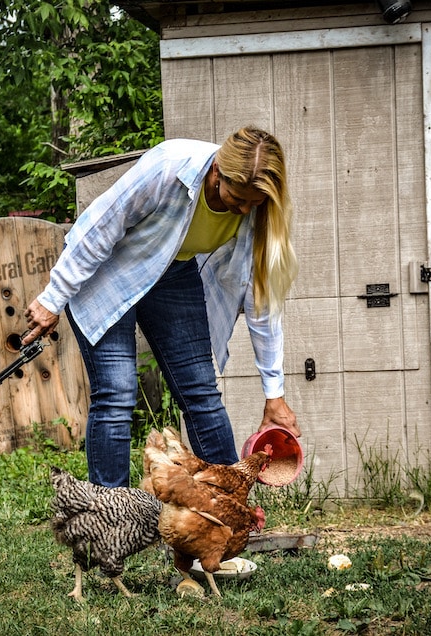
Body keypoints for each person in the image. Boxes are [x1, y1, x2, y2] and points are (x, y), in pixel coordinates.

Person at [23, 126, 301, 487]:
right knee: (118, 392)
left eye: (254, 202)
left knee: (200, 391)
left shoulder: (257, 210)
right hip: (108, 268)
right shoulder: (170, 167)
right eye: (238, 198)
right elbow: (100, 229)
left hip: (173, 271)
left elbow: (262, 302)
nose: (245, 209)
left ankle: (229, 512)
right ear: (217, 171)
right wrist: (52, 298)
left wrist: (274, 394)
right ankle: (112, 516)